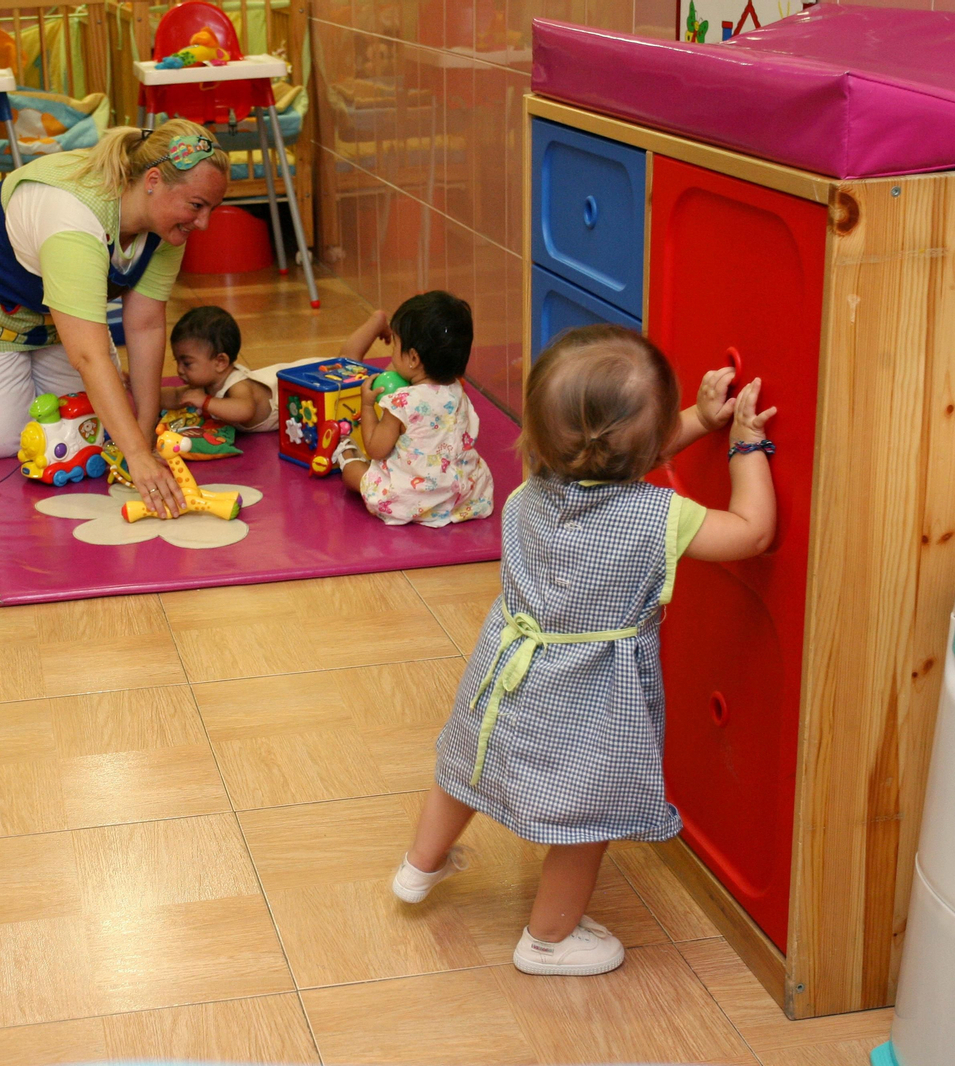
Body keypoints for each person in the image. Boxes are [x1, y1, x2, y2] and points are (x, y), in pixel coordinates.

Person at [389, 324, 778, 976]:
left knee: (466, 762)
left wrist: (695, 420)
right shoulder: (658, 517)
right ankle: (548, 940)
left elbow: (614, 457)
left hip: (502, 671)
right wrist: (745, 442)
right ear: (651, 444)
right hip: (585, 694)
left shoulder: (533, 483)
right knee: (584, 817)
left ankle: (418, 868)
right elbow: (752, 531)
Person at [0, 119, 229, 518]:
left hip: (49, 319)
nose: (203, 223)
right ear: (152, 180)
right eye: (197, 206)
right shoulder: (74, 216)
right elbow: (89, 357)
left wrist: (143, 436)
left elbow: (145, 325)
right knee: (0, 439)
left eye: (211, 209)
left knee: (88, 431)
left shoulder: (166, 224)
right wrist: (136, 456)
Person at [328, 292, 494, 527]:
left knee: (353, 473)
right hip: (457, 497)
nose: (392, 351)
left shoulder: (402, 401)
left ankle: (345, 452)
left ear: (414, 358)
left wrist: (367, 405)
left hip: (408, 499)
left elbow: (376, 449)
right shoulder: (457, 391)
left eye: (395, 344)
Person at [160, 306, 278, 432]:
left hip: (289, 392)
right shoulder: (206, 383)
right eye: (177, 361)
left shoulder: (238, 384)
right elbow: (177, 395)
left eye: (187, 363)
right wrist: (147, 395)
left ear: (220, 362)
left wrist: (205, 402)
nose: (180, 370)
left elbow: (245, 411)